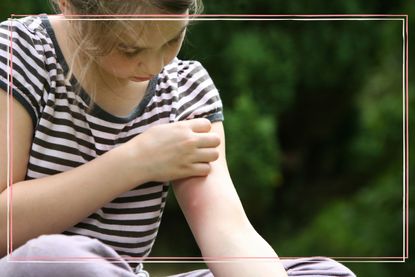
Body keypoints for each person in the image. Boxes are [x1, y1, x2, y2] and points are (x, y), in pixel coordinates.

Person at [0, 0, 356, 276]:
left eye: (173, 38)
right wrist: (135, 162)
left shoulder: (187, 91)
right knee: (60, 260)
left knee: (325, 272)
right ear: (69, 6)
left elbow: (228, 232)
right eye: (129, 49)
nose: (155, 64)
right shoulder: (20, 52)